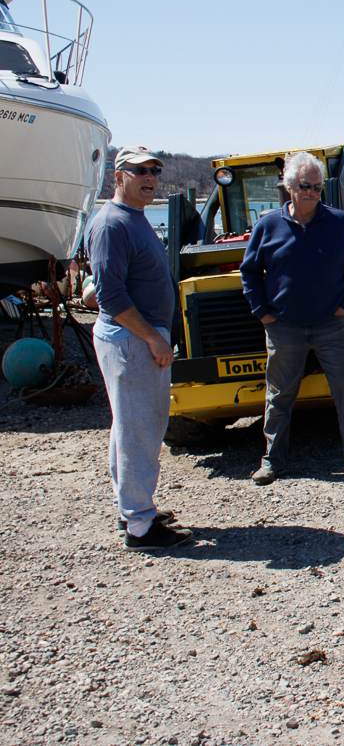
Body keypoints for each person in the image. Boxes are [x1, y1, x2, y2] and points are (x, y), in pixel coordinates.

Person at [241, 151, 344, 487]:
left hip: (331, 327)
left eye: (317, 187)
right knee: (278, 396)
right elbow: (249, 273)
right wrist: (263, 313)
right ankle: (272, 461)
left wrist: (342, 306)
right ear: (289, 186)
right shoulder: (267, 225)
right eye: (305, 186)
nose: (312, 193)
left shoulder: (340, 223)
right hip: (283, 329)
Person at [87, 145, 193, 550]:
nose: (150, 176)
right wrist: (152, 337)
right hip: (133, 342)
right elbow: (110, 296)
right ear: (118, 176)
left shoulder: (133, 218)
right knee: (140, 431)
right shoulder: (112, 223)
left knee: (128, 428)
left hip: (135, 340)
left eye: (155, 171)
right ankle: (141, 527)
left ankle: (133, 508)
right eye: (140, 170)